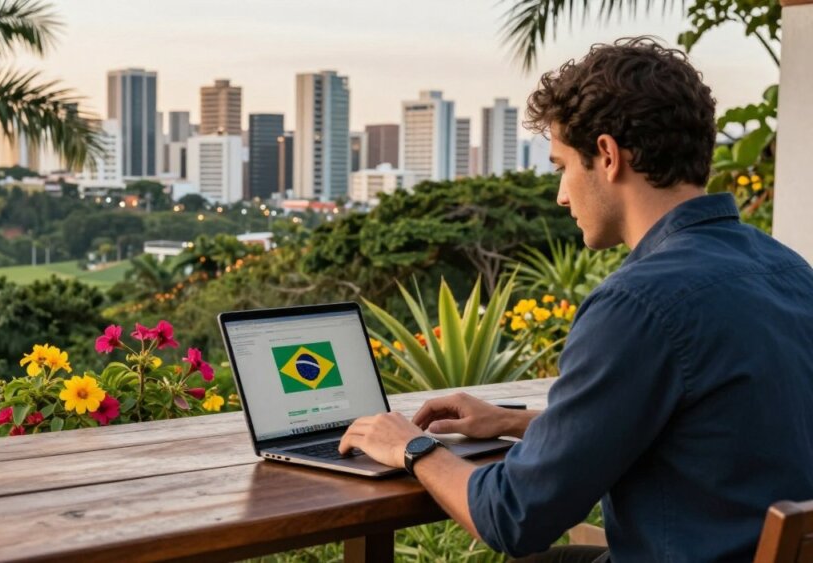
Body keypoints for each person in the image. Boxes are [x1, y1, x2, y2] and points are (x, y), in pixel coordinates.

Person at [339, 37, 813, 562]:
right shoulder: (789, 271)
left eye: (562, 165)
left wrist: (410, 446)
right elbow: (703, 431)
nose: (562, 194)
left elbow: (513, 517)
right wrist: (514, 421)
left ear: (607, 156)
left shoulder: (638, 305)